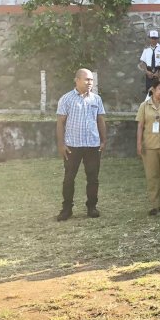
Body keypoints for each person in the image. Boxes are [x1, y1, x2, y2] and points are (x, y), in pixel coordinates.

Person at [55, 68, 106, 221]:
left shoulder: (96, 99)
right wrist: (61, 144)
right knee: (69, 178)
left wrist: (103, 140)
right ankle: (66, 209)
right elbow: (60, 123)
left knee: (93, 178)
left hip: (92, 145)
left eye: (91, 79)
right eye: (86, 79)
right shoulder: (66, 99)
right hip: (72, 146)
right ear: (76, 80)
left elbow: (100, 120)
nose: (90, 82)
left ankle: (92, 207)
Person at [136, 78, 160, 215]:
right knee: (152, 175)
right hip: (150, 145)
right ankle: (155, 205)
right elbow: (140, 126)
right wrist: (139, 144)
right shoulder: (144, 106)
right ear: (153, 89)